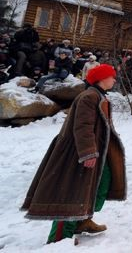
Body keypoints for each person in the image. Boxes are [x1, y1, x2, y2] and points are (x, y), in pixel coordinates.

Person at [21, 64, 126, 244]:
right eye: (112, 76)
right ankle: (59, 239)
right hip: (77, 153)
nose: (114, 79)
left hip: (98, 152)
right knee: (71, 193)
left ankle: (82, 220)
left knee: (102, 184)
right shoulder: (89, 97)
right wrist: (88, 153)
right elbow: (82, 127)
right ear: (102, 78)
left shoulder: (99, 96)